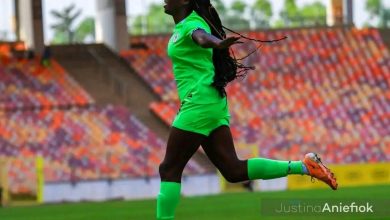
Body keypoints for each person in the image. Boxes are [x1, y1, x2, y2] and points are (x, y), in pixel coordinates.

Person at [157, 0, 338, 219]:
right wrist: (216, 43)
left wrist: (217, 43)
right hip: (211, 102)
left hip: (199, 103)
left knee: (169, 169)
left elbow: (202, 38)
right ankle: (305, 166)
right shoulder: (183, 26)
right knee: (233, 170)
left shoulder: (193, 25)